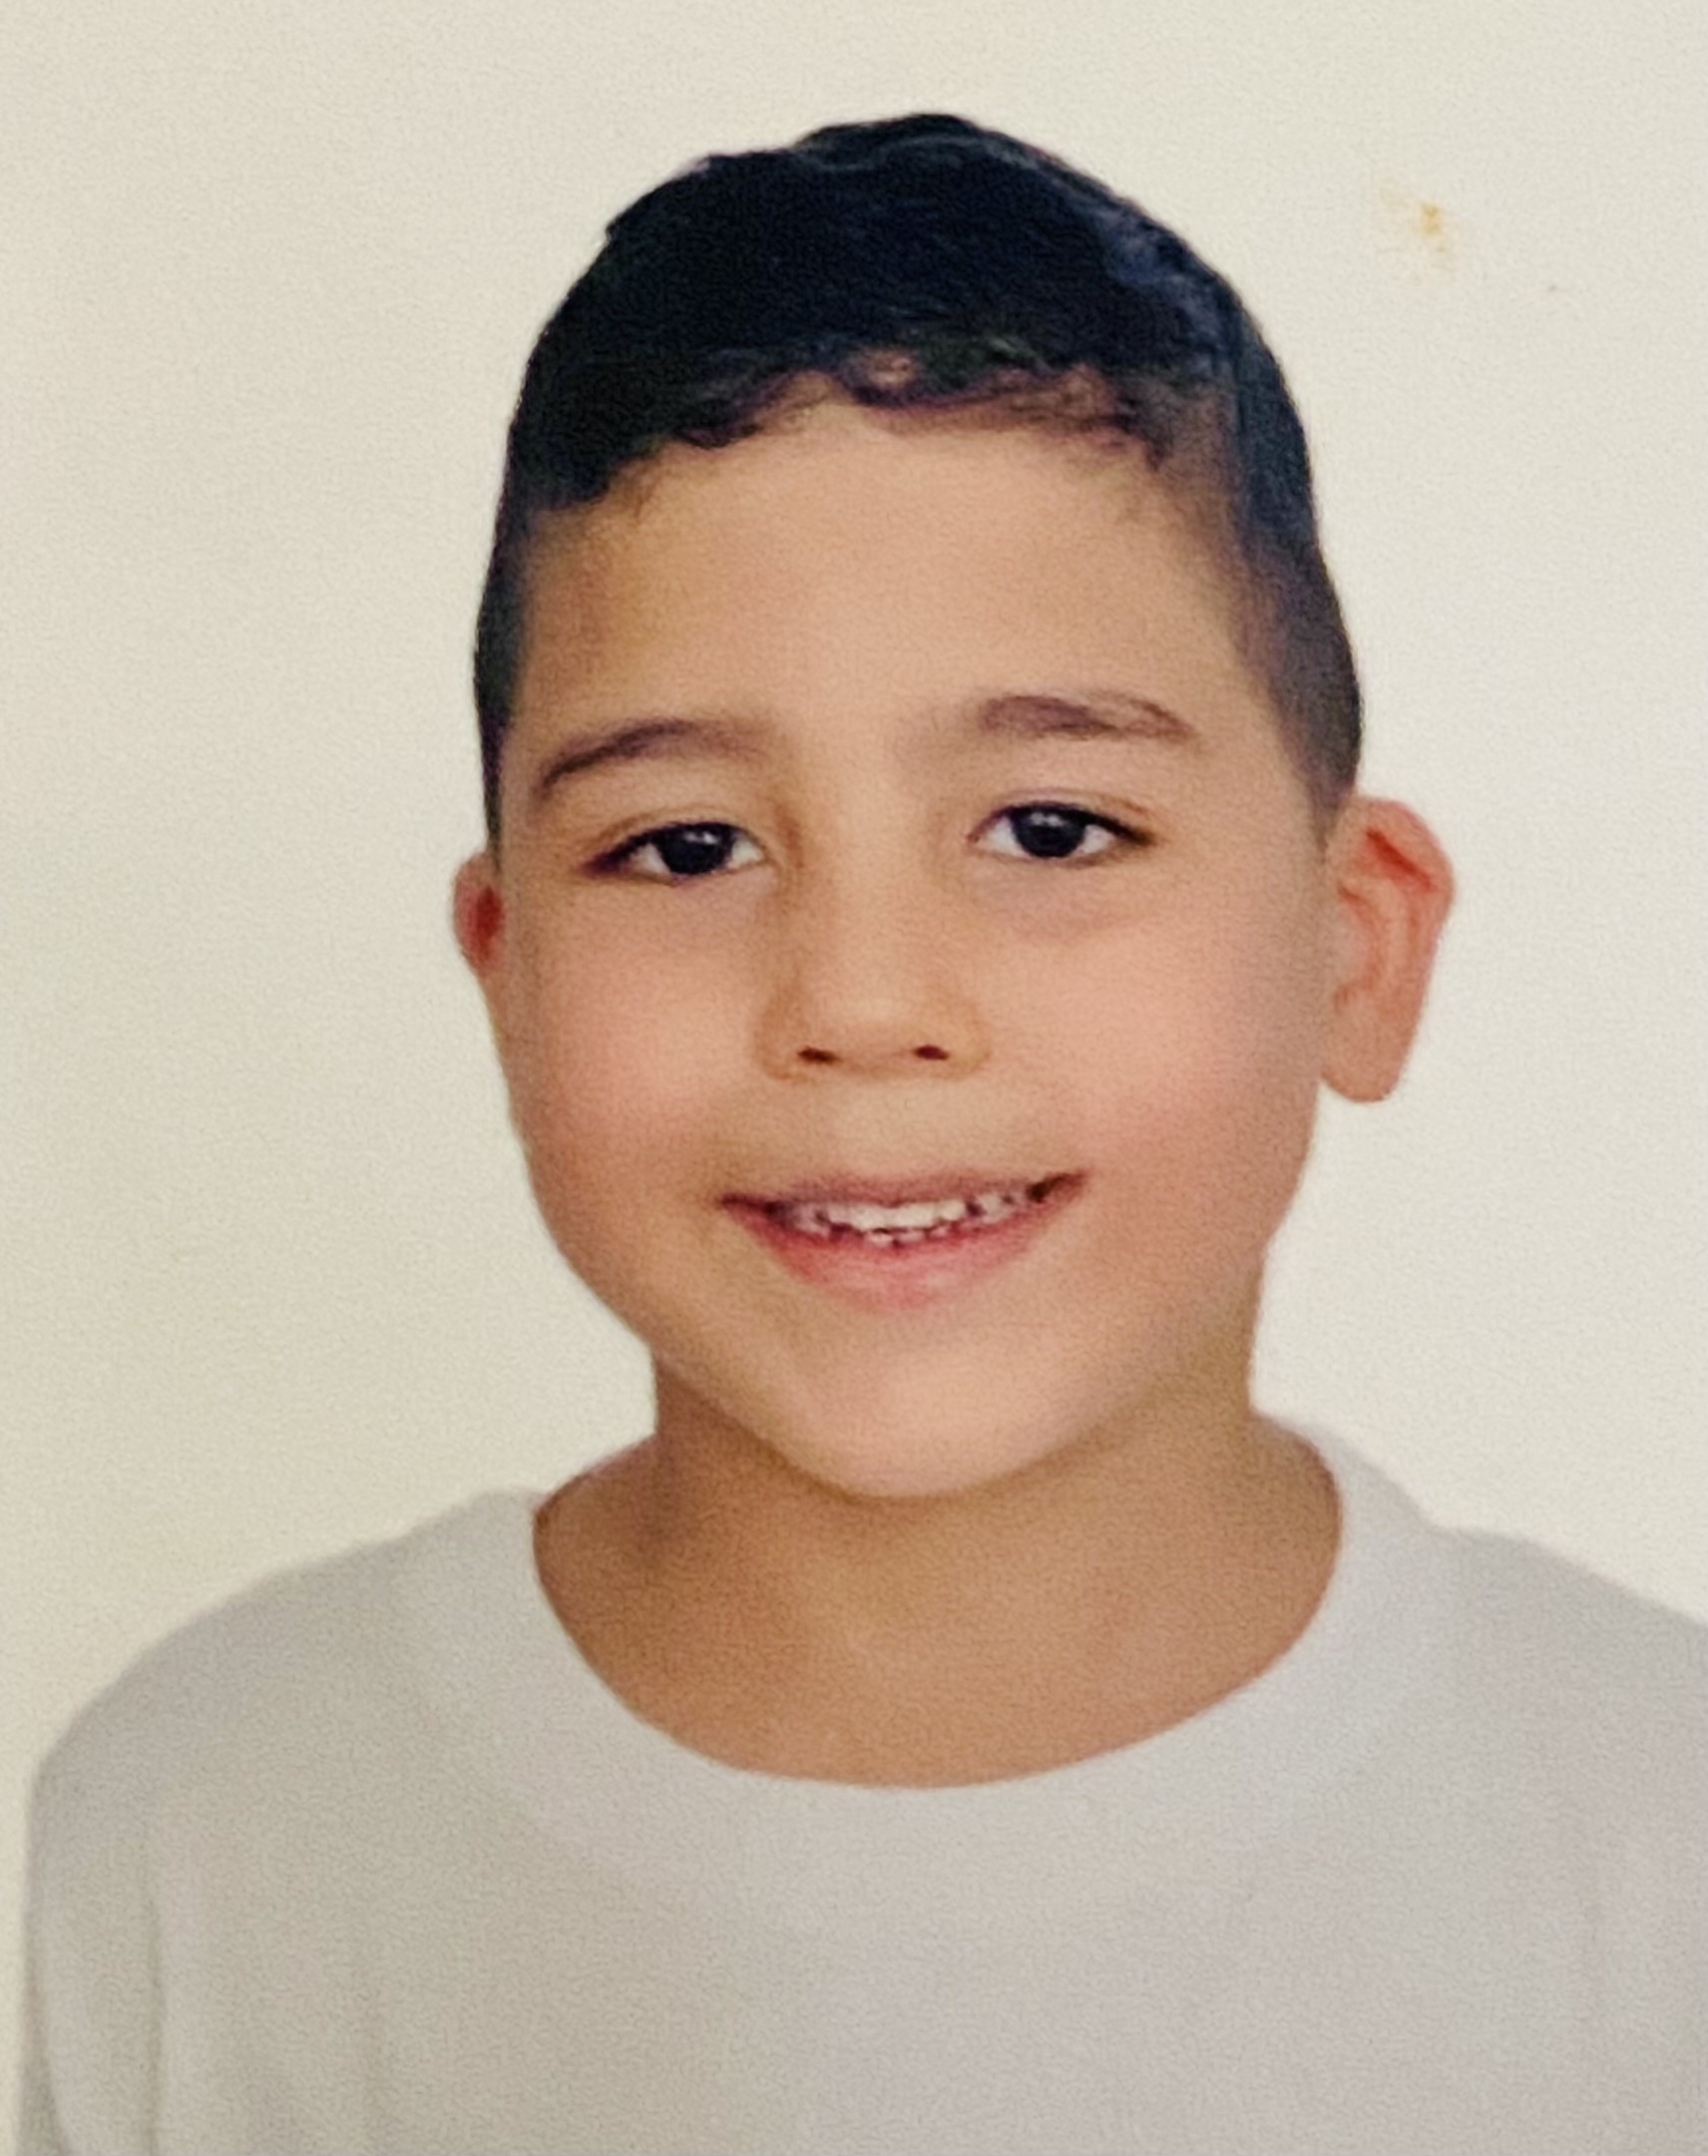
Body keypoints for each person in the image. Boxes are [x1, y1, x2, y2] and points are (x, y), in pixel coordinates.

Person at [17, 114, 1704, 2156]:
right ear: (507, 974)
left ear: (1356, 945)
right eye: (686, 845)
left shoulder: (1654, 1841)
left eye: (1051, 828)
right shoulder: (197, 1845)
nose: (862, 998)